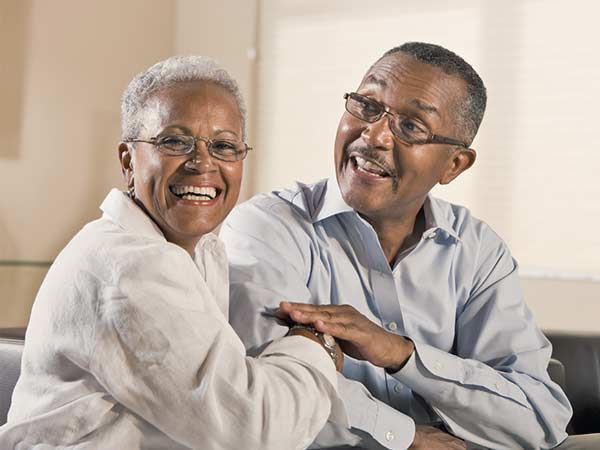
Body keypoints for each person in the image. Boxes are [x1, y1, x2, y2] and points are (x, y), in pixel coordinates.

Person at [220, 42, 588, 449]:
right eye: (367, 105)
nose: (373, 134)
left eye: (411, 126)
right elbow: (269, 392)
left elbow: (539, 419)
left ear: (454, 165)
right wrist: (404, 435)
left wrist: (402, 355)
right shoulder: (268, 227)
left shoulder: (478, 250)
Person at [0, 56, 348, 449]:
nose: (202, 163)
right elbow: (252, 432)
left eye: (224, 146)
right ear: (128, 161)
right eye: (175, 142)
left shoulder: (202, 251)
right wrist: (316, 345)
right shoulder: (130, 267)